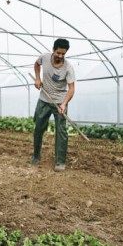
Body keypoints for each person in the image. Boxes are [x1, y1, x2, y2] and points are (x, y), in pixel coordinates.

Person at [31, 38, 75, 171]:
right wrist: (38, 78)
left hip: (60, 102)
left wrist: (64, 104)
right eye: (58, 53)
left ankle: (60, 161)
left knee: (61, 132)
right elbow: (36, 64)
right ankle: (36, 155)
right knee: (38, 128)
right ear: (53, 50)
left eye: (63, 54)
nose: (60, 56)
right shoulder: (44, 58)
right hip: (44, 100)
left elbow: (72, 89)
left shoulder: (68, 67)